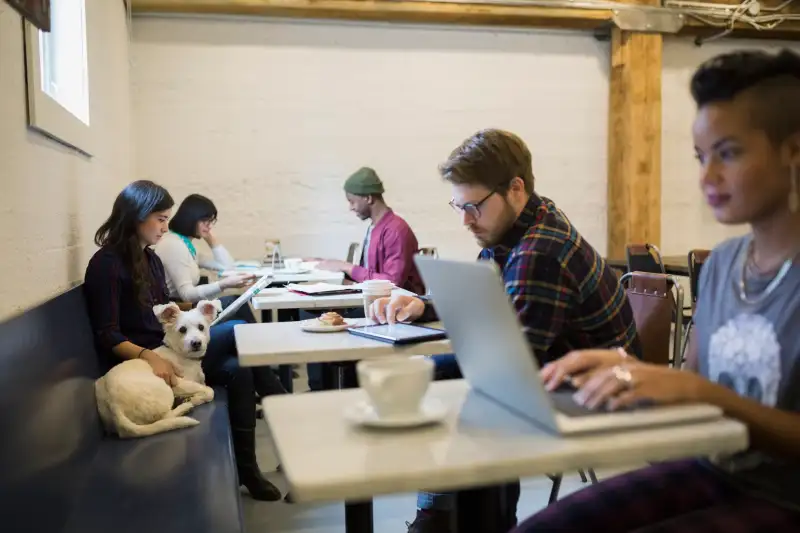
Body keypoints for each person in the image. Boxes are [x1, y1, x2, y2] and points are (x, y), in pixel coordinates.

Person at [508, 49, 800, 532]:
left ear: (793, 152)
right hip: (714, 471)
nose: (706, 178)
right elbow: (694, 388)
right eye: (701, 157)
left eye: (728, 154)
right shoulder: (726, 262)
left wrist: (693, 389)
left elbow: (700, 389)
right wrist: (629, 373)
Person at [370, 129, 642, 532]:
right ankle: (440, 512)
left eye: (474, 207)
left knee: (474, 392)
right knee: (450, 376)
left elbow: (509, 372)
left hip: (601, 394)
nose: (465, 220)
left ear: (516, 188)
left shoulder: (540, 251)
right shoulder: (522, 225)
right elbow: (488, 294)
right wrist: (422, 304)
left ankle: (458, 520)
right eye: (458, 206)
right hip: (556, 372)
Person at [83, 180, 282, 501]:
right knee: (236, 330)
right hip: (144, 359)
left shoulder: (150, 260)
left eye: (166, 219)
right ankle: (284, 407)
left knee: (238, 368)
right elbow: (108, 333)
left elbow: (168, 308)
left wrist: (210, 306)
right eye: (160, 219)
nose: (165, 228)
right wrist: (150, 357)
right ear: (137, 215)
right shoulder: (106, 264)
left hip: (171, 349)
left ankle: (249, 470)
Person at [155, 193, 286, 399]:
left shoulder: (186, 244)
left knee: (236, 302)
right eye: (205, 221)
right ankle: (271, 384)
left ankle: (266, 377)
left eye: (211, 222)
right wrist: (223, 284)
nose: (209, 226)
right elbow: (186, 293)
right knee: (239, 323)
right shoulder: (173, 245)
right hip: (183, 316)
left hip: (191, 311)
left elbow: (227, 266)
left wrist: (210, 238)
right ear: (192, 217)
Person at [314, 167, 425, 294]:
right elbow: (370, 274)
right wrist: (326, 263)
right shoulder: (375, 227)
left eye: (352, 202)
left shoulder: (395, 231)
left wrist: (348, 267)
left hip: (395, 306)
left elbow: (392, 283)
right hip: (377, 300)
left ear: (368, 198)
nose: (351, 208)